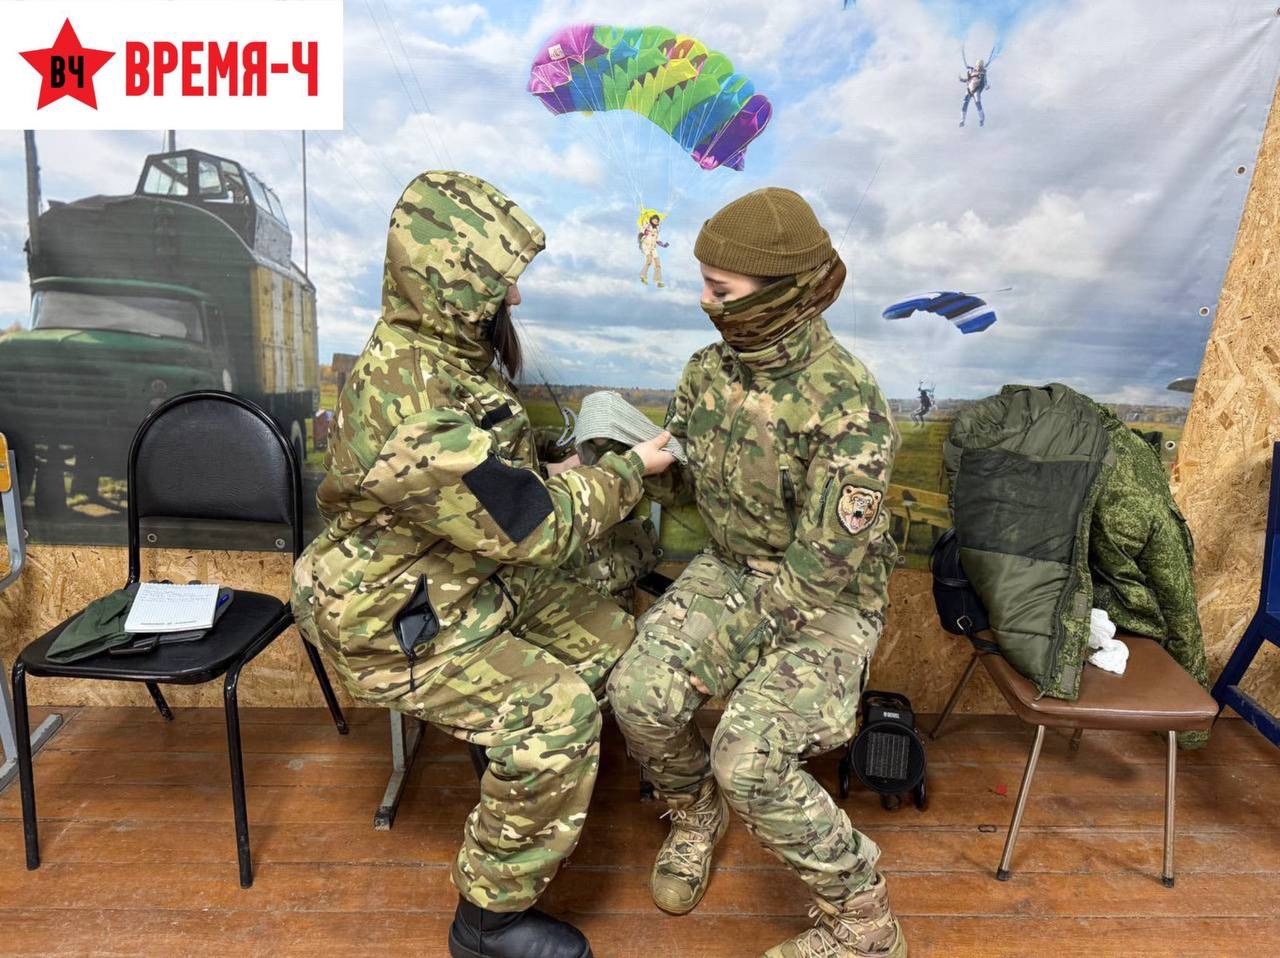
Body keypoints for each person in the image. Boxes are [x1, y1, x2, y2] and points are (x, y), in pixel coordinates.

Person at [291, 171, 675, 958]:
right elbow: (535, 526)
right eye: (501, 283)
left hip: (466, 576)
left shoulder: (447, 354)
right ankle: (488, 923)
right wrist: (631, 470)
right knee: (557, 717)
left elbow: (495, 487)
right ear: (450, 285)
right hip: (398, 615)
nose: (517, 298)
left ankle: (510, 777)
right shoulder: (408, 399)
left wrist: (561, 467)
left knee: (614, 642)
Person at [607, 187, 907, 957]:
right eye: (704, 283)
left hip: (825, 595)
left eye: (721, 289)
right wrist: (635, 466)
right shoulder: (706, 373)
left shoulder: (850, 404)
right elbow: (692, 490)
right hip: (733, 567)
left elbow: (819, 571)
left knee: (748, 756)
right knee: (638, 695)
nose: (704, 301)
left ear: (782, 293)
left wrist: (729, 656)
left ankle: (865, 925)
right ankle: (693, 813)